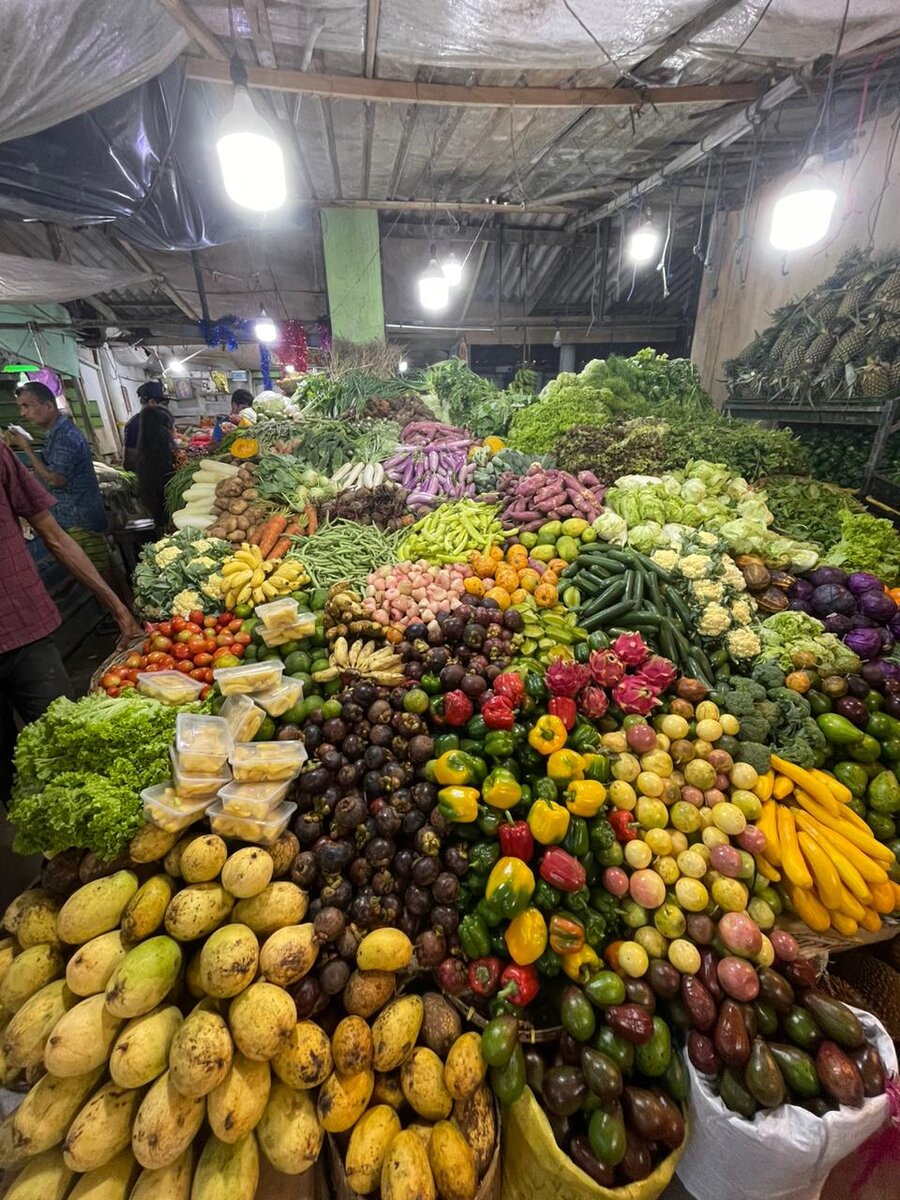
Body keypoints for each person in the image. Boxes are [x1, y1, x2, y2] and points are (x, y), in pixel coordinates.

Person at [0, 442, 141, 804]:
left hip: (23, 627)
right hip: (23, 624)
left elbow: (55, 536)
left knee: (71, 742)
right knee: (8, 778)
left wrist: (118, 608)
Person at [11, 382, 111, 572]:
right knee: (101, 571)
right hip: (73, 518)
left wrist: (26, 448)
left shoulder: (65, 437)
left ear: (49, 406)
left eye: (27, 406)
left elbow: (55, 479)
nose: (23, 413)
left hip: (79, 521)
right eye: (21, 407)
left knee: (98, 574)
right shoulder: (55, 433)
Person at [135, 404, 176, 532]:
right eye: (171, 427)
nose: (173, 431)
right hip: (167, 509)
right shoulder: (164, 457)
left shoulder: (144, 452)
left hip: (156, 509)